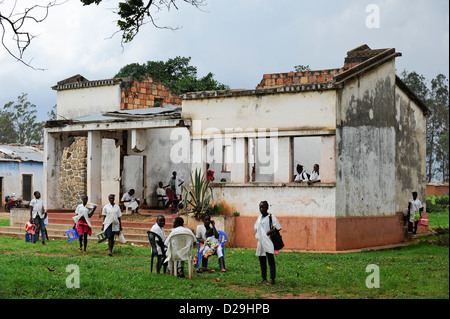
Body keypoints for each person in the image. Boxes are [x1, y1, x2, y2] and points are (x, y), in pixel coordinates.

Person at [254, 201, 281, 286]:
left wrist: (269, 232)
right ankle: (264, 278)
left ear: (267, 208)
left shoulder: (271, 217)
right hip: (261, 241)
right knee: (262, 260)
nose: (261, 209)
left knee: (270, 261)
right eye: (260, 207)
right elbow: (256, 227)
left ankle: (272, 279)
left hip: (268, 241)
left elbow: (278, 228)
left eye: (263, 207)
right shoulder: (259, 217)